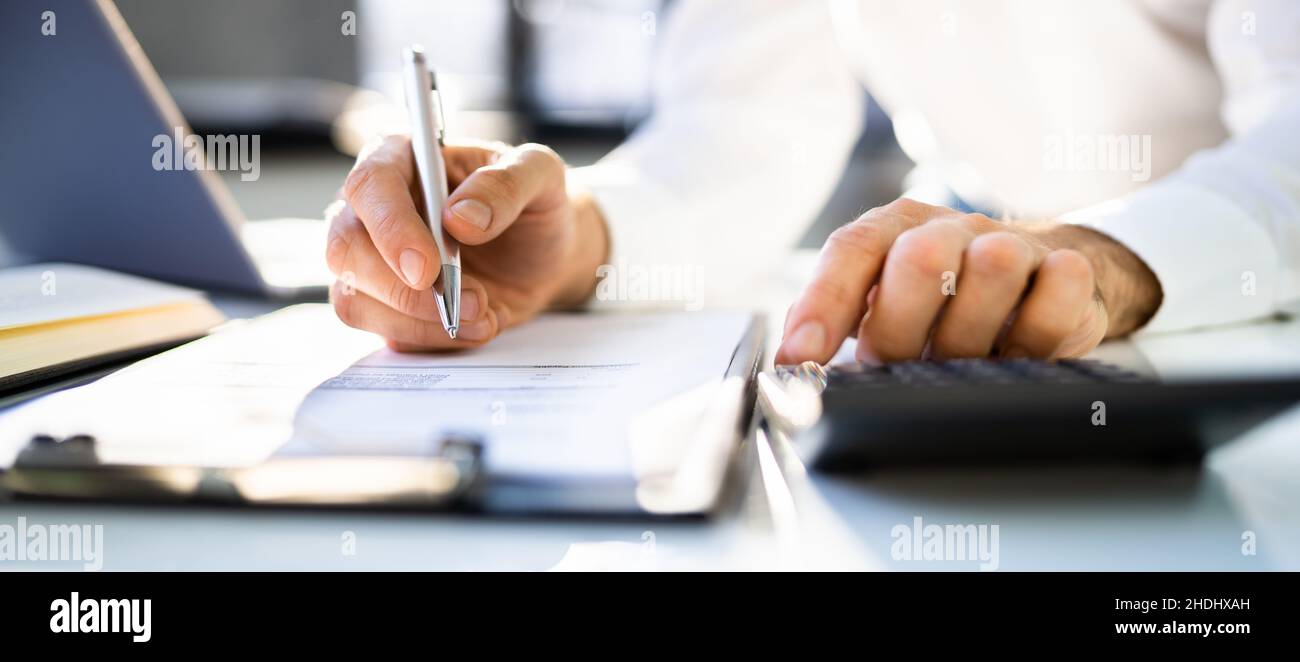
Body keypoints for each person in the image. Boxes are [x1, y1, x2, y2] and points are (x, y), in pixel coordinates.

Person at [325, 0, 1300, 364]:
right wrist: (584, 234)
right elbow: (745, 116)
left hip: (1244, 326)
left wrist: (1110, 257)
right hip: (981, 296)